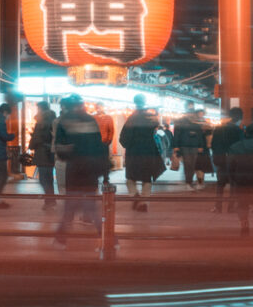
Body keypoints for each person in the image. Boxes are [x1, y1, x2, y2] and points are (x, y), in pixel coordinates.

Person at [50, 94, 110, 247]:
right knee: (91, 207)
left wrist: (69, 150)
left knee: (70, 207)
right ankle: (108, 238)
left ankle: (61, 238)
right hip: (91, 170)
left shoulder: (65, 121)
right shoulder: (91, 120)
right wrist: (105, 173)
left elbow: (60, 150)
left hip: (75, 169)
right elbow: (100, 147)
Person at [118, 95, 165, 211]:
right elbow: (159, 132)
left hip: (134, 151)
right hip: (149, 150)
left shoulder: (132, 118)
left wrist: (127, 145)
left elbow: (123, 137)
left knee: (130, 178)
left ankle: (135, 196)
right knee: (147, 178)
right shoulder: (153, 118)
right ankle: (144, 202)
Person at [210, 107, 246, 213]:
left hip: (221, 160)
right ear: (240, 118)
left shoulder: (218, 129)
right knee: (233, 185)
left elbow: (213, 145)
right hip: (234, 161)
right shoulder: (238, 131)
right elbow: (241, 146)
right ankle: (231, 207)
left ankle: (218, 207)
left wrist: (218, 156)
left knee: (220, 184)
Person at [29, 101, 58, 210]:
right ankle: (50, 200)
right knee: (48, 178)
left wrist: (31, 145)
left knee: (43, 179)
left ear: (41, 109)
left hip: (42, 152)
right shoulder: (53, 120)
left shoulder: (41, 121)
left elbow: (37, 137)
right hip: (50, 152)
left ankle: (50, 200)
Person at [172, 110, 210, 189]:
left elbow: (199, 135)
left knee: (192, 164)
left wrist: (200, 146)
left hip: (193, 146)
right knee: (188, 164)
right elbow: (177, 135)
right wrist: (176, 146)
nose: (191, 115)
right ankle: (188, 182)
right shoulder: (182, 123)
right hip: (185, 146)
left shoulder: (194, 123)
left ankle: (189, 182)